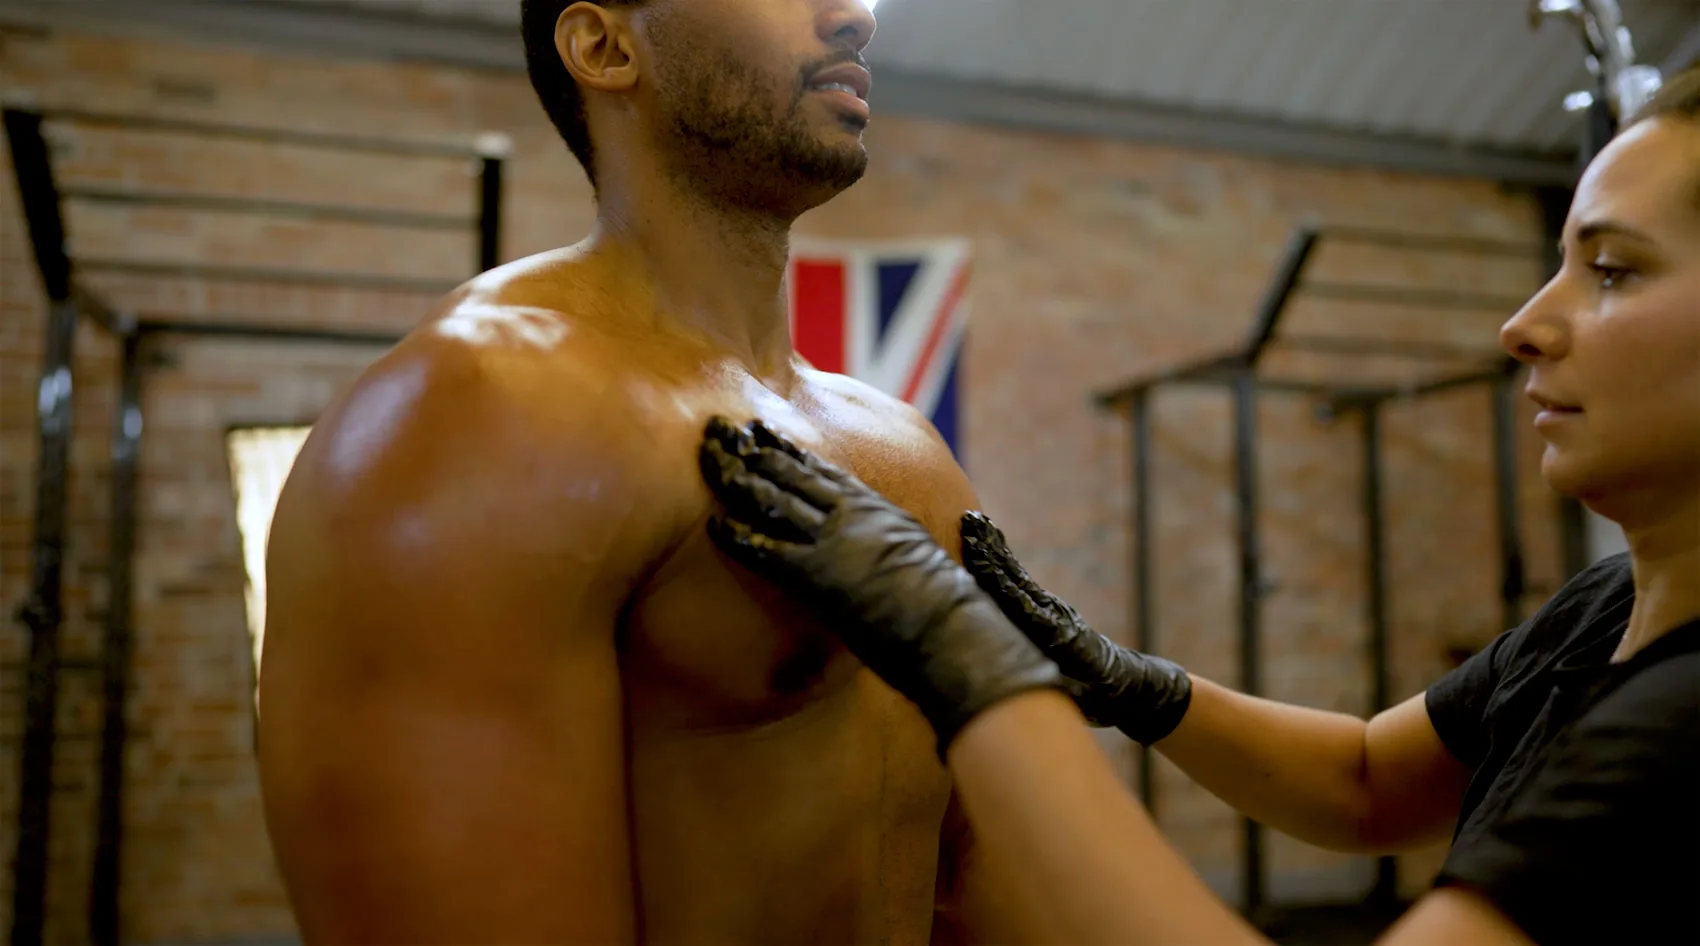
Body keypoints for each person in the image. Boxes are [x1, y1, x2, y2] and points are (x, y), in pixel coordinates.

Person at [697, 62, 1700, 946]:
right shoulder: (1599, 613)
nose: (1521, 323)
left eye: (1609, 271)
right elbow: (1361, 782)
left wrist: (981, 680)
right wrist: (1136, 685)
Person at [256, 1, 1006, 942]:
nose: (853, 14)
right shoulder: (480, 410)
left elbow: (990, 893)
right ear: (607, 47)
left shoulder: (909, 452)